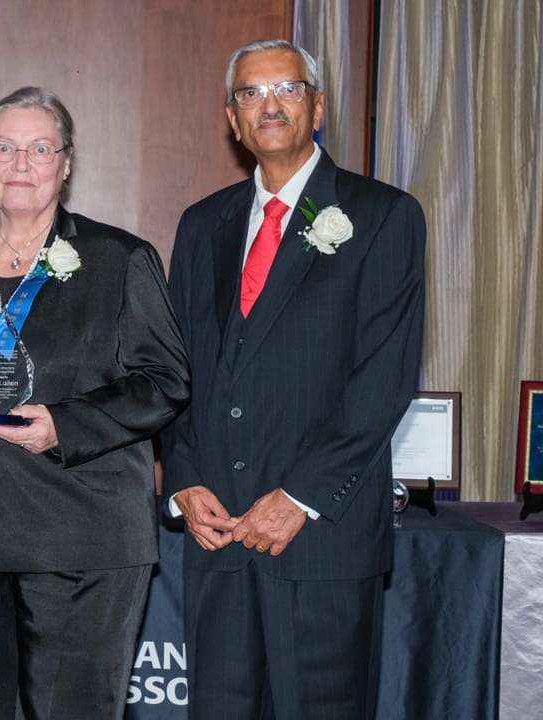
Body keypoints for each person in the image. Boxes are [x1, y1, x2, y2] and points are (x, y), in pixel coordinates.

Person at [0, 86, 190, 720]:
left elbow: (165, 379)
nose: (21, 163)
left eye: (40, 148)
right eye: (5, 147)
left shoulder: (119, 259)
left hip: (85, 531)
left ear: (67, 163)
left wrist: (64, 424)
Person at [162, 39, 425, 719]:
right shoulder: (202, 225)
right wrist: (184, 477)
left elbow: (384, 380)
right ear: (233, 118)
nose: (269, 104)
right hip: (217, 538)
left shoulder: (383, 216)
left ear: (317, 106)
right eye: (251, 93)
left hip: (320, 542)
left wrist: (301, 497)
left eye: (286, 88)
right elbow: (174, 368)